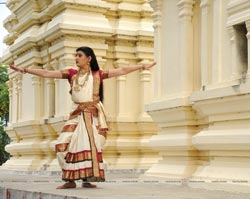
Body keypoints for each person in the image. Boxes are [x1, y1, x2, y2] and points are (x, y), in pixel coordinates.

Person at [9, 46, 157, 189]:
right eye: (76, 55)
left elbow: (122, 70)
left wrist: (142, 66)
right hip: (76, 114)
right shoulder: (71, 74)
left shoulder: (97, 74)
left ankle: (86, 179)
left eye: (79, 55)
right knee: (62, 145)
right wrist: (25, 70)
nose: (76, 58)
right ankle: (70, 179)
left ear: (89, 58)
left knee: (88, 146)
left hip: (92, 116)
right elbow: (48, 73)